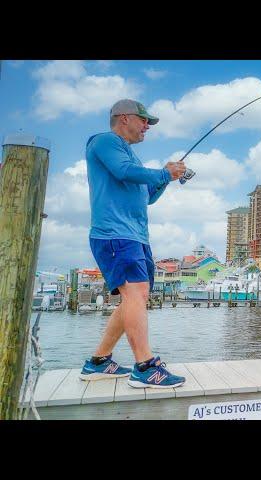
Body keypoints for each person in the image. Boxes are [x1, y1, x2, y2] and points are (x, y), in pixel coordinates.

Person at [79, 99, 188, 389]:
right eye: (144, 121)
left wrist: (165, 180)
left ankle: (99, 361)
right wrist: (164, 172)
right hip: (114, 233)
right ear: (124, 118)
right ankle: (145, 367)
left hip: (135, 236)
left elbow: (146, 197)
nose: (147, 127)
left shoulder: (132, 159)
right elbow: (124, 172)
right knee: (137, 293)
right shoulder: (104, 142)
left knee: (133, 298)